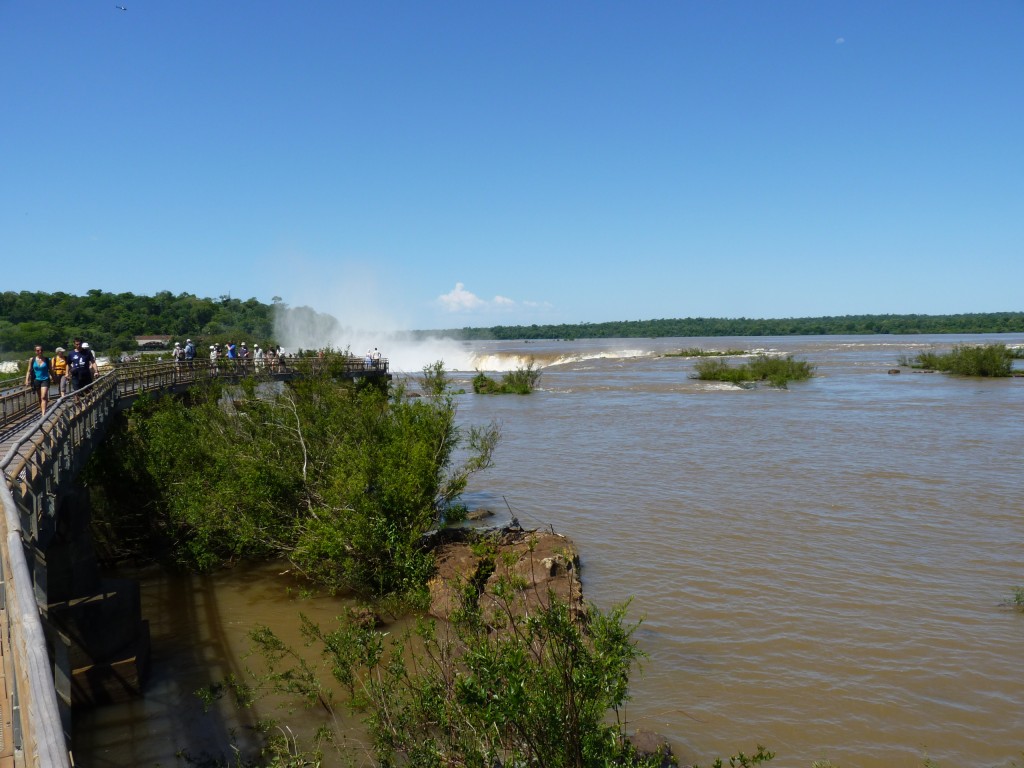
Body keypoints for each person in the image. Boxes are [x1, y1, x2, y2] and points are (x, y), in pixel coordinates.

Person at [24, 345, 52, 416]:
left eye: (41, 350)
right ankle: (42, 409)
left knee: (43, 396)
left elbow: (51, 370)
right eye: (38, 350)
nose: (40, 352)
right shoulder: (32, 359)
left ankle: (43, 414)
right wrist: (27, 380)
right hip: (36, 380)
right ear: (35, 351)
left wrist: (54, 378)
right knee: (40, 397)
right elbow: (29, 370)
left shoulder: (47, 359)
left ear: (43, 351)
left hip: (45, 379)